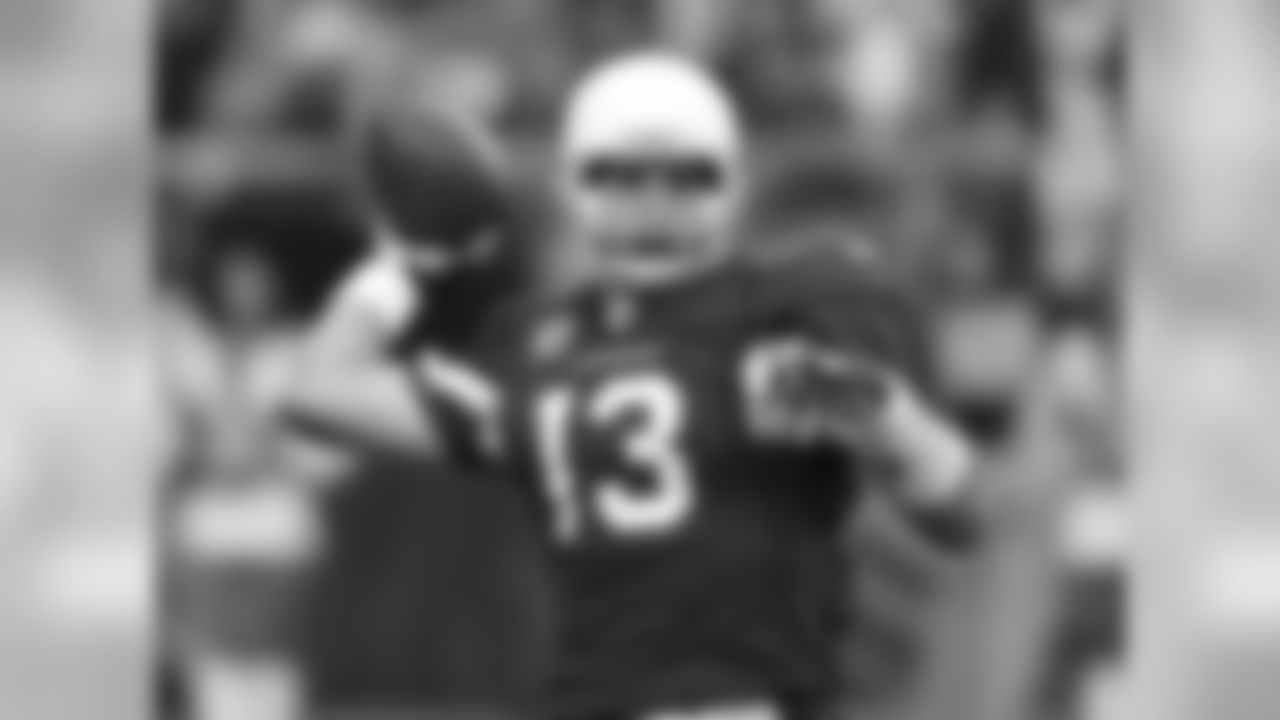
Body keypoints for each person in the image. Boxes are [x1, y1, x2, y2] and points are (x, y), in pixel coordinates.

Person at [285, 51, 978, 720]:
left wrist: (867, 408)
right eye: (621, 175)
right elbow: (315, 394)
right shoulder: (536, 341)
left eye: (687, 176)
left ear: (735, 184)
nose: (653, 202)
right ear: (571, 186)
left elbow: (959, 507)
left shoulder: (791, 300)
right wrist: (412, 260)